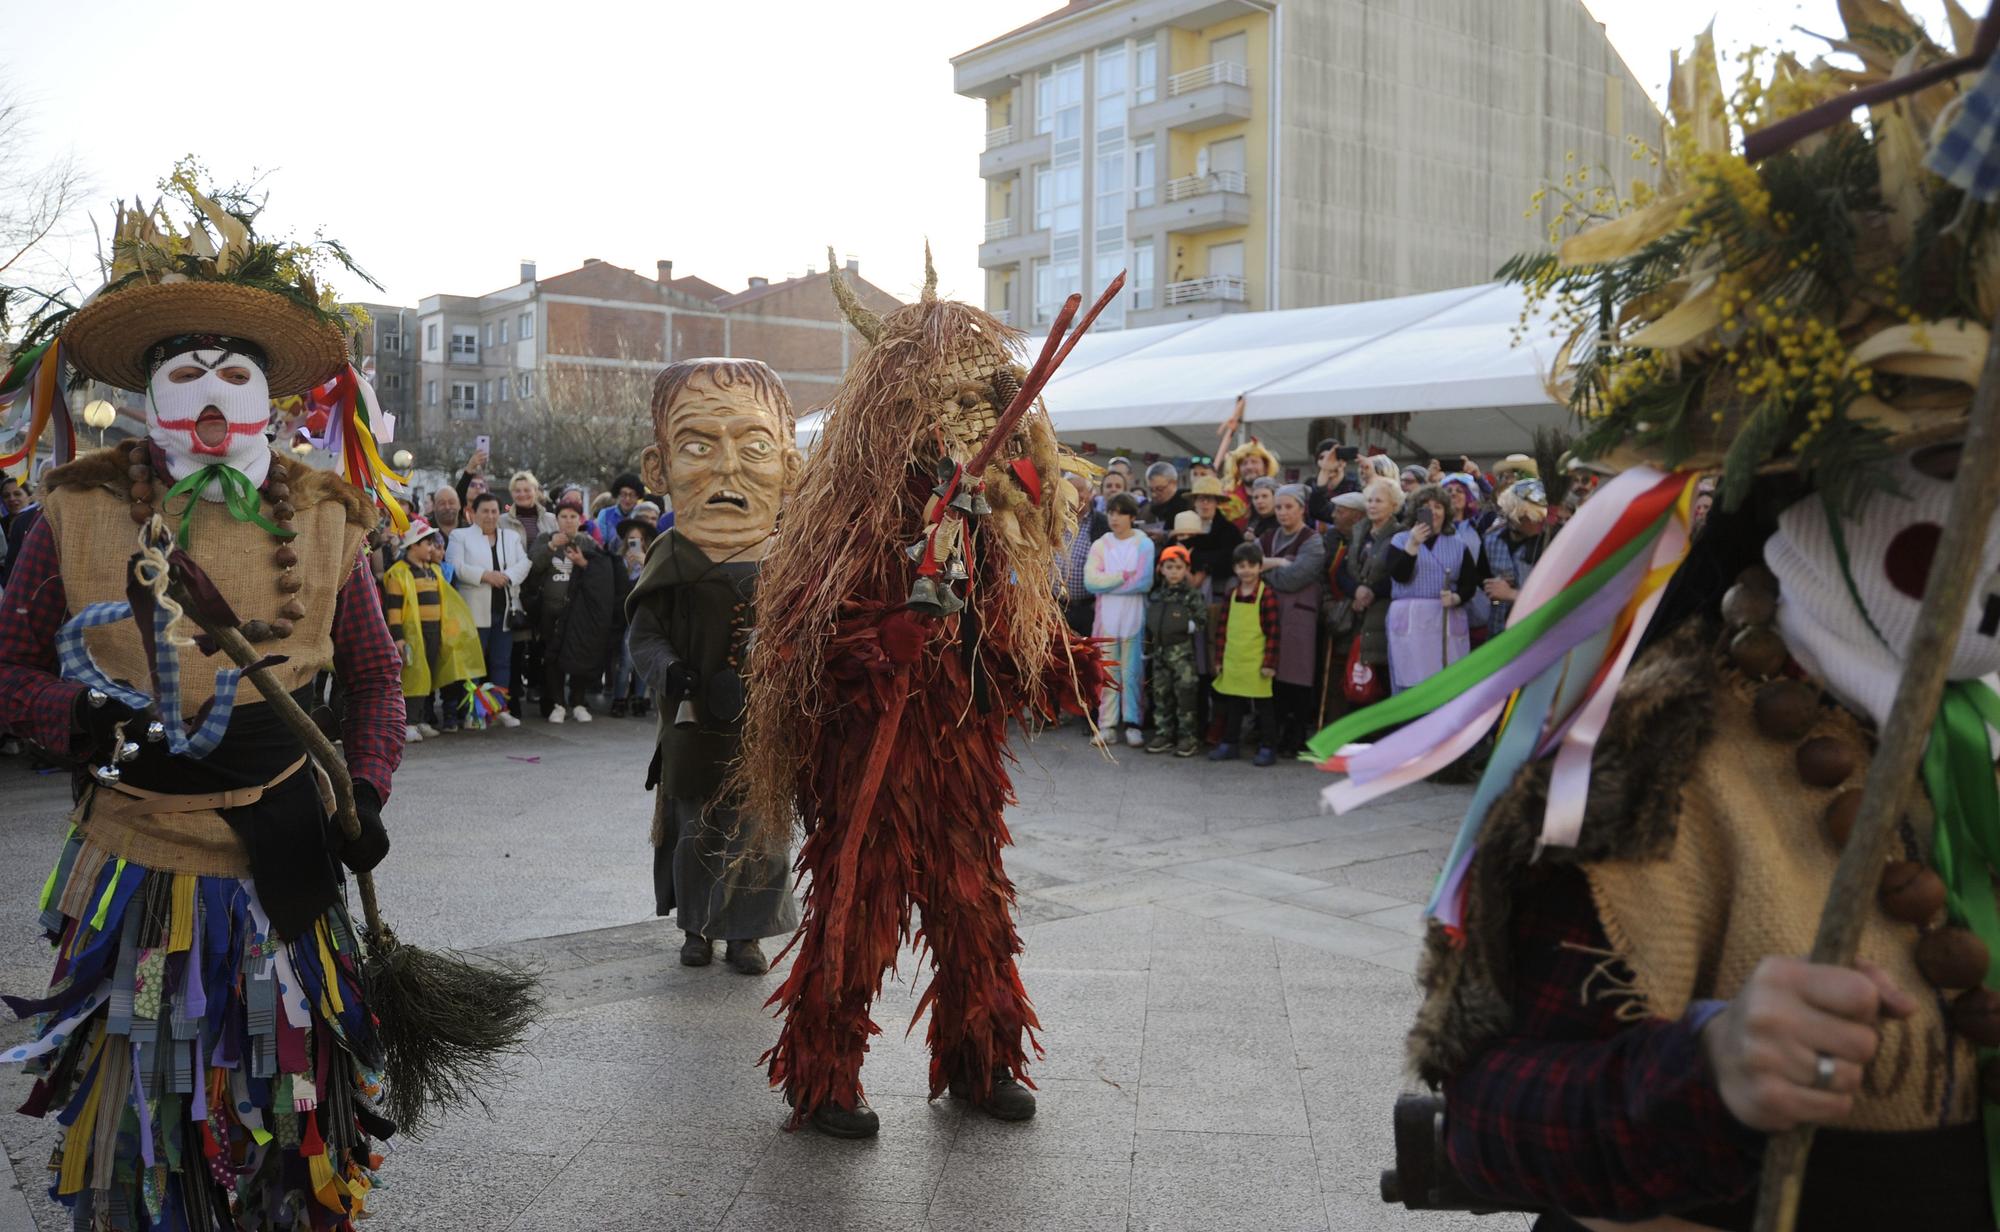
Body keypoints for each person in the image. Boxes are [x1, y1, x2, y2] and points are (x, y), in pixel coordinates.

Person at [0, 180, 402, 1226]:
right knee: (148, 1115)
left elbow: (373, 678)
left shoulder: (327, 515)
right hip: (137, 861)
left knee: (290, 1104)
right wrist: (75, 720)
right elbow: (7, 667)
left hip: (286, 858)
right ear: (147, 395)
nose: (214, 389)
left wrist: (363, 784)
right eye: (189, 370)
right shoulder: (76, 510)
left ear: (273, 398)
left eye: (237, 371)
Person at [739, 256, 1106, 1139]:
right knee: (857, 904)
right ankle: (826, 1078)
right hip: (873, 751)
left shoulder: (984, 516)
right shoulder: (852, 521)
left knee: (975, 904)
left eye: (982, 405)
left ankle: (982, 1063)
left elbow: (1001, 624)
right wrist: (876, 642)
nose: (972, 422)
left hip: (959, 756)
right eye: (954, 403)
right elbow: (795, 640)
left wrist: (1050, 663)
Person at [626, 356, 804, 976]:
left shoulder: (795, 563)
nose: (726, 469)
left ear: (789, 466)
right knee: (696, 823)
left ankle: (748, 934)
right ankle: (697, 926)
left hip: (765, 727)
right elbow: (644, 635)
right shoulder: (669, 555)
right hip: (693, 724)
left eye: (754, 445)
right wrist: (668, 671)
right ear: (660, 468)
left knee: (761, 829)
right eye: (697, 446)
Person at [382, 518, 482, 743]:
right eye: (427, 543)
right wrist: (398, 638)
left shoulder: (432, 571)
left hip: (435, 631)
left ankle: (422, 719)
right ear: (414, 545)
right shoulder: (399, 573)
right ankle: (408, 723)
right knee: (414, 675)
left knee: (429, 673)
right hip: (413, 633)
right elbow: (394, 610)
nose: (432, 548)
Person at [445, 491, 527, 728]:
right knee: (472, 664)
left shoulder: (510, 537)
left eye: (494, 511)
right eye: (485, 511)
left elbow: (524, 563)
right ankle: (473, 712)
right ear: (473, 512)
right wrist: (484, 576)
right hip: (473, 610)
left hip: (505, 610)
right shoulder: (460, 536)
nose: (490, 516)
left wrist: (506, 576)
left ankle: (499, 708)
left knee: (502, 662)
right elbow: (455, 566)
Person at [1384, 484, 1477, 693]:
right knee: (1409, 682)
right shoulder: (1400, 540)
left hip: (1444, 619)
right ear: (1416, 513)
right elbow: (1400, 575)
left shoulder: (1458, 544)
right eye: (1426, 507)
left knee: (1446, 685)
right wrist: (1413, 546)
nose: (1433, 512)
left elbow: (1470, 583)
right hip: (1410, 620)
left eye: (1438, 507)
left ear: (1446, 512)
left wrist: (1456, 598)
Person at [1259, 484, 1328, 756]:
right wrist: (1279, 563)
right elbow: (1248, 566)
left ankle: (1295, 733)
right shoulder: (1267, 536)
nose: (1283, 512)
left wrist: (1267, 568)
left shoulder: (1312, 540)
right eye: (1279, 507)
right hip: (1270, 614)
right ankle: (1271, 732)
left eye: (1289, 507)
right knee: (1271, 673)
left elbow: (1295, 577)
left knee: (1297, 675)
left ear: (1302, 508)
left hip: (1300, 615)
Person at [523, 501, 606, 722]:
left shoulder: (588, 543)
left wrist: (583, 563)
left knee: (579, 656)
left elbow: (601, 575)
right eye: (563, 516)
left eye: (572, 516)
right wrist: (551, 547)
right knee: (552, 657)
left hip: (579, 614)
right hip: (550, 612)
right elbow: (532, 567)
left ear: (580, 520)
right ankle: (558, 703)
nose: (568, 521)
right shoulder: (544, 539)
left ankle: (578, 702)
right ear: (556, 519)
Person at [1085, 491, 1155, 748]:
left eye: (1120, 513)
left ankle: (1133, 723)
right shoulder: (1101, 544)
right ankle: (1107, 725)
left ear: (1132, 517)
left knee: (1133, 673)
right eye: (1111, 512)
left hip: (1133, 618)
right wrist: (1123, 576)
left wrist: (1109, 581)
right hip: (1106, 621)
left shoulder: (1144, 544)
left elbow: (1144, 582)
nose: (1114, 518)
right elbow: (1091, 582)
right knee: (1106, 673)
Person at [1210, 541, 1279, 765]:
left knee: (1264, 708)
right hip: (1233, 660)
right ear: (1235, 569)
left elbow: (1273, 633)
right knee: (1234, 705)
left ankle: (1268, 747)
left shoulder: (1266, 595)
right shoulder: (1231, 594)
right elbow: (1222, 629)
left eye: (1251, 565)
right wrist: (1219, 659)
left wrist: (1270, 663)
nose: (1246, 570)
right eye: (1241, 566)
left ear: (1260, 567)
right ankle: (1230, 743)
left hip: (1258, 662)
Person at [1144, 544, 1208, 756]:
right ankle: (1163, 733)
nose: (1173, 571)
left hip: (1182, 656)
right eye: (1169, 566)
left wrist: (1182, 625)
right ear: (1161, 569)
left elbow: (1201, 621)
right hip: (1159, 655)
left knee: (1185, 696)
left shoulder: (1191, 595)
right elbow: (1150, 622)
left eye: (1178, 567)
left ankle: (1187, 737)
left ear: (1186, 570)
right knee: (1161, 694)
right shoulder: (1156, 594)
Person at [1480, 478, 1550, 636]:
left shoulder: (1552, 543)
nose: (1538, 522)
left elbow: (1559, 597)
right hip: (1498, 632)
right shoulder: (1491, 539)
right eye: (1530, 517)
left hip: (1537, 634)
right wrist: (1491, 586)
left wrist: (1512, 594)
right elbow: (1480, 577)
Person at [608, 518, 656, 718]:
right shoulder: (618, 562)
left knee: (641, 662)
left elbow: (654, 588)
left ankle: (638, 699)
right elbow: (618, 590)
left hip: (644, 617)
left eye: (638, 539)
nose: (634, 543)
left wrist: (645, 564)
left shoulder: (651, 561)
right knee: (626, 662)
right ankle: (619, 699)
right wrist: (627, 566)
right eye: (631, 539)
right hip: (624, 617)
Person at [1058, 471, 1106, 640]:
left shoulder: (1102, 524)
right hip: (1055, 607)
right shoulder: (1054, 520)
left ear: (1091, 493)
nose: (1075, 494)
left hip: (1087, 609)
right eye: (1069, 489)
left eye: (1080, 489)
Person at [1220, 438, 1278, 529]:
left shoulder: (1281, 494)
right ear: (1237, 469)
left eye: (1254, 462)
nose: (1249, 467)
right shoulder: (1227, 499)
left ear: (1266, 466)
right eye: (1244, 463)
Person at [592, 471, 645, 546]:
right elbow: (600, 543)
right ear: (618, 494)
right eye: (624, 494)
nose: (627, 499)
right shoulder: (605, 514)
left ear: (638, 496)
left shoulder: (642, 515)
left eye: (632, 495)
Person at [1142, 460, 1191, 534]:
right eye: (1151, 490)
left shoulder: (1188, 502)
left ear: (1174, 483)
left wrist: (1165, 536)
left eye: (1160, 489)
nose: (1154, 494)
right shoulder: (1147, 509)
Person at [1244, 475, 1281, 540]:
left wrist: (1255, 541)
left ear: (1275, 497)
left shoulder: (1283, 522)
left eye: (1265, 496)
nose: (1259, 501)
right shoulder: (1253, 523)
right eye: (1256, 497)